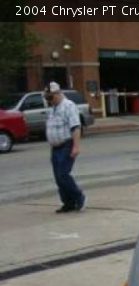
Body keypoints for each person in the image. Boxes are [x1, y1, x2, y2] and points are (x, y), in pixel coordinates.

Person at [44, 81, 86, 213]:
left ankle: (78, 196)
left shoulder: (68, 106)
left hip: (66, 145)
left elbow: (75, 127)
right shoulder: (53, 108)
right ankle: (68, 203)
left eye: (50, 98)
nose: (49, 101)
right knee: (58, 177)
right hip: (55, 148)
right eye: (47, 98)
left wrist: (76, 146)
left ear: (57, 94)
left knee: (63, 175)